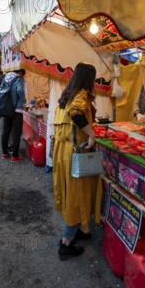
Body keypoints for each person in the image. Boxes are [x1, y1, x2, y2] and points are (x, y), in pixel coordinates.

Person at [52, 62, 101, 260]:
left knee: (71, 193)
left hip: (63, 152)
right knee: (76, 196)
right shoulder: (80, 94)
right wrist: (91, 135)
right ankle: (66, 242)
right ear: (88, 79)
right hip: (74, 153)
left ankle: (81, 227)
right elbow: (76, 113)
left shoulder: (68, 94)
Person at [0, 69, 26, 162]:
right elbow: (20, 91)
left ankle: (5, 153)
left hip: (6, 108)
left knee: (5, 131)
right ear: (19, 73)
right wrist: (24, 101)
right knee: (16, 133)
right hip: (17, 109)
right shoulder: (18, 79)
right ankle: (15, 156)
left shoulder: (5, 78)